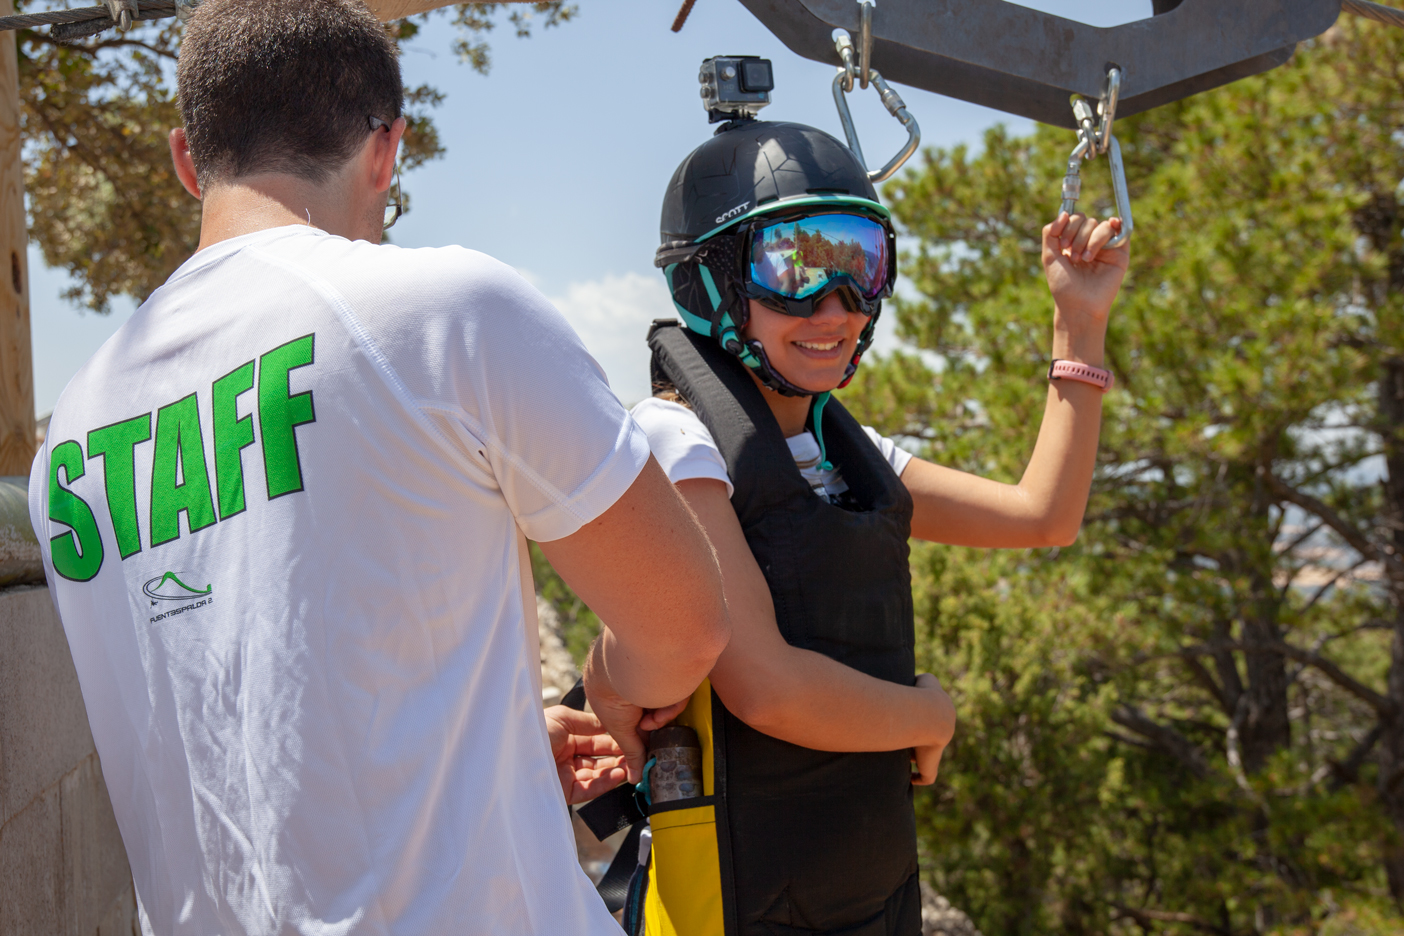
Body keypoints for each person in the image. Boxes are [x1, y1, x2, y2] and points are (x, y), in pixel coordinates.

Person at [26, 1, 729, 933]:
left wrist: (499, 744)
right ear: (386, 149)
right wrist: (614, 685)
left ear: (188, 160)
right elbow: (684, 626)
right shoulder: (443, 313)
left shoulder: (71, 437)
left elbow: (252, 706)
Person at [625, 117, 1127, 934]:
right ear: (709, 282)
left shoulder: (845, 454)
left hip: (869, 894)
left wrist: (1079, 321)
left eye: (860, 264)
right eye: (793, 268)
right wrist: (931, 716)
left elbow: (1045, 517)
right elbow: (766, 689)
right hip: (737, 897)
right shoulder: (677, 440)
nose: (838, 307)